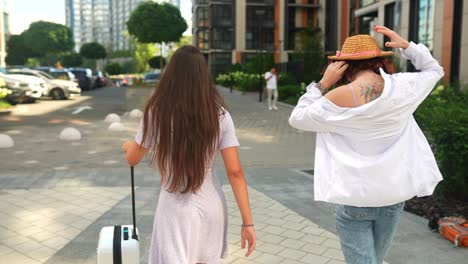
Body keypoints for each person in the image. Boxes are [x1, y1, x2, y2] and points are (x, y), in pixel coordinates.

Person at [289, 26, 444, 264]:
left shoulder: (337, 97)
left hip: (356, 197)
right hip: (393, 195)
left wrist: (322, 83)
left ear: (344, 66)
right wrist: (408, 46)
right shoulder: (404, 87)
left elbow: (297, 118)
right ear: (378, 60)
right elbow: (434, 70)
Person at [122, 45, 256, 264]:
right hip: (212, 206)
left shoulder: (158, 111)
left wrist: (127, 145)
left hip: (176, 209)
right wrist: (248, 224)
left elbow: (132, 158)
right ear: (203, 75)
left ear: (171, 75)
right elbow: (235, 172)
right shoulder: (220, 114)